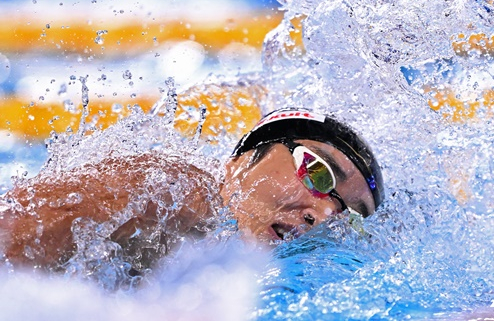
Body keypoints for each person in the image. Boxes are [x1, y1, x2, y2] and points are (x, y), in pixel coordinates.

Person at [0, 108, 384, 273]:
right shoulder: (176, 191)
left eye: (345, 214)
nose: (320, 215)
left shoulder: (223, 260)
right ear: (244, 159)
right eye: (318, 174)